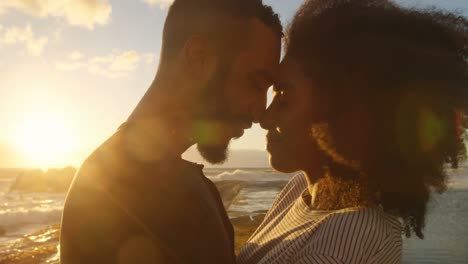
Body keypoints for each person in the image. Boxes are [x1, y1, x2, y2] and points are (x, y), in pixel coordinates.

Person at [237, 0, 468, 263]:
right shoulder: (303, 187)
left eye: (284, 99)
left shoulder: (348, 239)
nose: (264, 118)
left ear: (341, 114)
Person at [60, 0, 282, 263]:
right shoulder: (148, 193)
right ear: (198, 57)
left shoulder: (111, 176)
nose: (261, 111)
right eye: (256, 84)